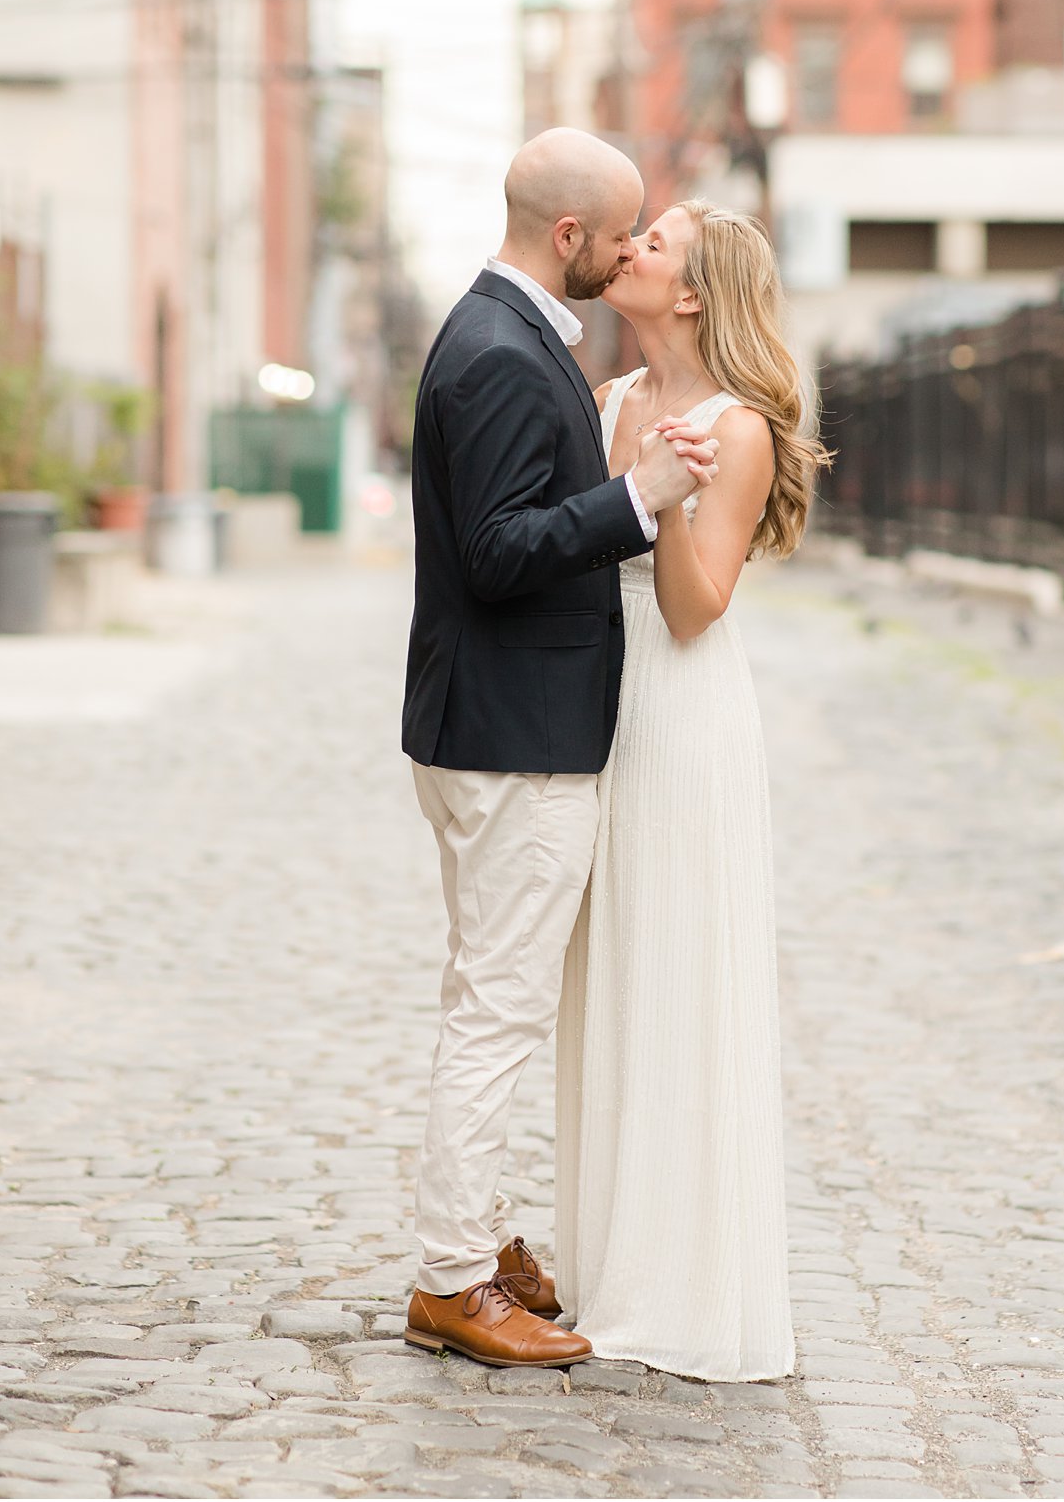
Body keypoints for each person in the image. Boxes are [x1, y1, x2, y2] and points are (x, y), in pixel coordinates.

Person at [401, 130, 721, 1370]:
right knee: (496, 1011)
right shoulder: (494, 351)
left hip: (497, 725)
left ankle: (472, 1241)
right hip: (512, 738)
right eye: (620, 230)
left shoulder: (510, 335)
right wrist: (636, 499)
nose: (627, 252)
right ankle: (451, 1279)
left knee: (488, 996)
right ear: (568, 237)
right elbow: (494, 552)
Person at [555, 199, 827, 1382]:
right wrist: (628, 469)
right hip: (594, 708)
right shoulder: (606, 399)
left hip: (678, 711)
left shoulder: (738, 428)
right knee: (603, 984)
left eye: (654, 244)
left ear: (694, 294)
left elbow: (690, 604)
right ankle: (606, 1263)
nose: (629, 250)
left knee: (672, 975)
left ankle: (679, 1287)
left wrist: (656, 488)